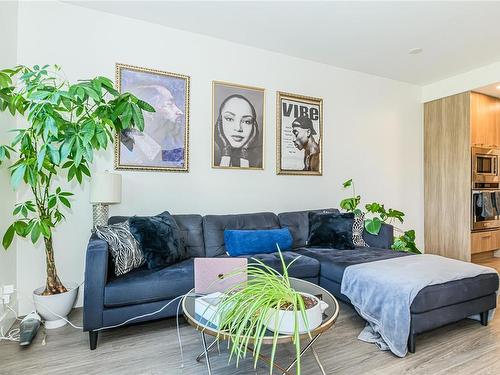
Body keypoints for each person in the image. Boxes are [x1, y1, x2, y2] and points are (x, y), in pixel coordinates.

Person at [121, 85, 185, 166]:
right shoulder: (132, 150)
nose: (180, 112)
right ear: (149, 112)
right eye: (169, 104)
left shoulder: (170, 148)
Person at [214, 94, 261, 168]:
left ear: (254, 127)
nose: (238, 128)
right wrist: (226, 151)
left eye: (247, 121)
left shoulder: (260, 162)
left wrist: (244, 152)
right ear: (219, 123)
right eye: (229, 119)